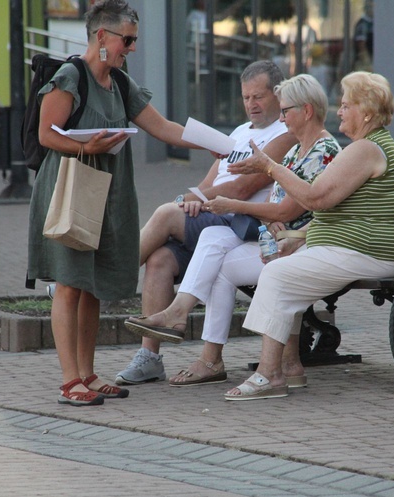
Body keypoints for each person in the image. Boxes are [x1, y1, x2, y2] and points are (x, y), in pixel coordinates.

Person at [27, 0, 215, 407]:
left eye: (133, 40)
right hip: (71, 189)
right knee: (69, 284)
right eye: (127, 40)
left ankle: (89, 374)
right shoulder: (69, 76)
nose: (131, 47)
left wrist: (221, 145)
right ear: (102, 37)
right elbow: (46, 135)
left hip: (106, 193)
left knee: (91, 287)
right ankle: (68, 381)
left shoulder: (121, 81)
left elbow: (164, 128)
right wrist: (86, 145)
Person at [124, 74, 339, 387]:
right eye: (246, 97)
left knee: (171, 219)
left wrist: (235, 206)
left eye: (284, 110)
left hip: (293, 241)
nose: (280, 117)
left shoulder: (317, 149)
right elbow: (275, 202)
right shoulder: (295, 150)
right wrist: (200, 200)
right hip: (271, 234)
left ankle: (117, 283)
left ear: (306, 111)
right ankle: (193, 348)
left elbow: (283, 207)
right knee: (180, 254)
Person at [224, 71, 394, 401]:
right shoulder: (364, 147)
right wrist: (299, 236)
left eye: (346, 105)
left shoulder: (365, 149)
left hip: (374, 251)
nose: (339, 111)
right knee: (290, 265)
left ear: (367, 112)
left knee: (276, 274)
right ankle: (290, 368)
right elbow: (338, 211)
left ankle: (270, 375)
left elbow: (315, 199)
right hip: (364, 246)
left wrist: (269, 167)